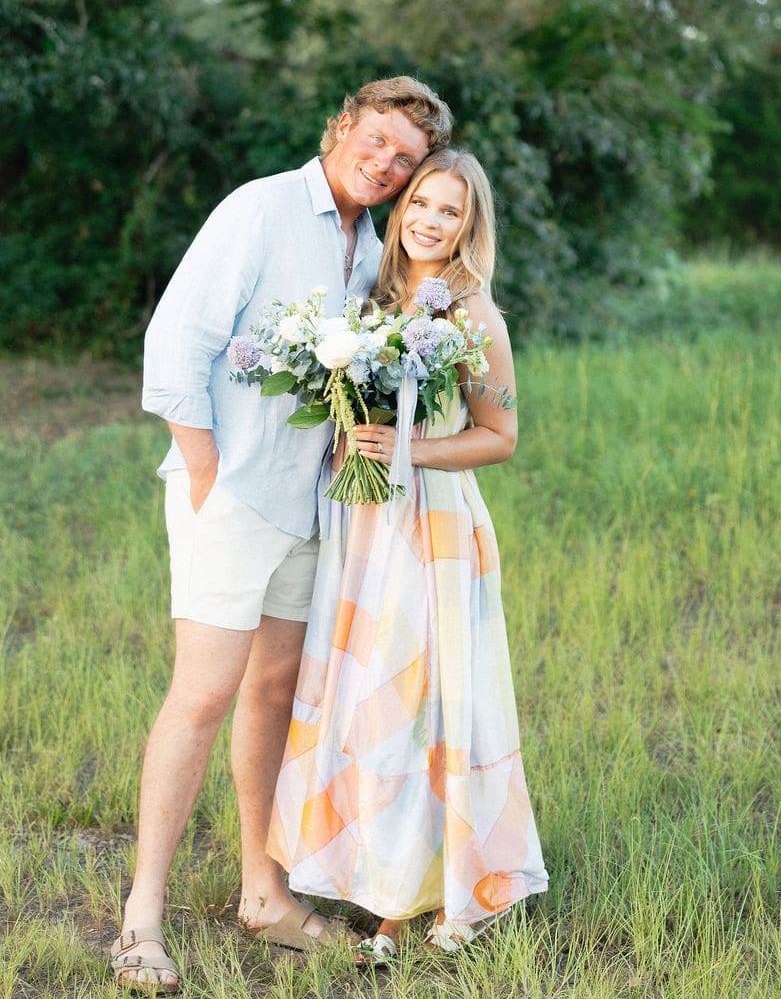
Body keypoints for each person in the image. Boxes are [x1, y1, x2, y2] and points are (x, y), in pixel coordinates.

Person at [110, 78, 453, 992]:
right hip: (233, 497)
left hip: (311, 510)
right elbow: (174, 344)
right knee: (203, 694)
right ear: (343, 125)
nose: (384, 164)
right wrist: (210, 475)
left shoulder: (369, 250)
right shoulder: (259, 209)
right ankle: (143, 912)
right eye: (376, 141)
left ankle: (263, 890)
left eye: (404, 160)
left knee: (272, 697)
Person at [267, 149, 548, 964]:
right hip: (362, 530)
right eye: (421, 200)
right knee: (367, 705)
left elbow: (501, 437)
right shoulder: (365, 301)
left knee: (426, 706)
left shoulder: (472, 315)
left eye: (450, 210)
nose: (429, 218)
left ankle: (432, 897)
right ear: (403, 207)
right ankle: (380, 881)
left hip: (433, 530)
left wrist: (405, 454)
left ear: (470, 226)